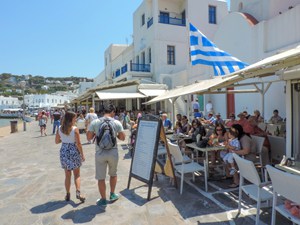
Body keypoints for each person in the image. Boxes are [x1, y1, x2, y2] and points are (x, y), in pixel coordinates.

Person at [86, 104, 125, 207]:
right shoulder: (116, 122)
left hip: (100, 152)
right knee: (113, 174)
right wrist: (114, 134)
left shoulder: (95, 122)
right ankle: (112, 195)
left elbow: (89, 137)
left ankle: (103, 199)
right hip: (113, 152)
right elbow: (122, 138)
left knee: (101, 178)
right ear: (112, 112)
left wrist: (96, 133)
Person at [55, 111, 85, 202]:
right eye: (74, 118)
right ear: (71, 119)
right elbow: (78, 143)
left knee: (67, 175)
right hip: (74, 151)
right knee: (77, 174)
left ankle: (67, 194)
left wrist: (64, 140)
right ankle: (78, 191)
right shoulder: (75, 129)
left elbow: (56, 141)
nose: (75, 119)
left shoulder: (60, 128)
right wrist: (82, 155)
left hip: (64, 151)